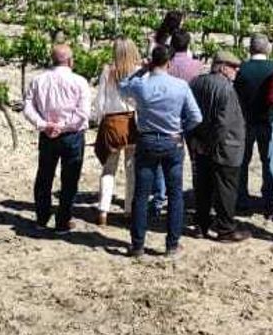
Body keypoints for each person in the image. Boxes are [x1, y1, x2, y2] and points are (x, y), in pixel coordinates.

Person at [120, 45, 203, 257]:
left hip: (147, 139)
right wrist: (181, 129)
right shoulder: (181, 86)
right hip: (172, 141)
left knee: (141, 194)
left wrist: (141, 70)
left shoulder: (141, 85)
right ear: (169, 63)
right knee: (175, 194)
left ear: (151, 61)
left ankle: (138, 245)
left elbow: (122, 87)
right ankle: (172, 245)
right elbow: (196, 117)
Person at [24, 43, 93, 233]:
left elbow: (28, 107)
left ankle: (42, 218)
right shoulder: (80, 82)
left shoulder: (38, 80)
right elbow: (83, 114)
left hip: (48, 135)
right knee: (69, 180)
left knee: (44, 177)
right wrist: (62, 126)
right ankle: (63, 221)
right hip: (72, 136)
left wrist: (44, 124)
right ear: (70, 61)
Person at [188, 51, 250, 242]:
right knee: (226, 189)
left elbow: (188, 113)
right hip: (224, 147)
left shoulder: (196, 83)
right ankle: (226, 229)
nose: (236, 71)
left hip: (200, 144)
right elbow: (224, 123)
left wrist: (196, 140)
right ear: (223, 67)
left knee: (203, 187)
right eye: (233, 67)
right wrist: (210, 143)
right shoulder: (226, 89)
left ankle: (201, 225)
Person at [91, 38, 141, 228]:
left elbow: (100, 100)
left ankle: (103, 210)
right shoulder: (138, 71)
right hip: (131, 122)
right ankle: (129, 210)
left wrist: (99, 119)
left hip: (112, 122)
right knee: (131, 169)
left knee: (108, 169)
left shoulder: (107, 71)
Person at [234, 34, 273, 216]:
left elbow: (237, 97)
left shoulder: (242, 70)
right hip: (268, 121)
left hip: (246, 121)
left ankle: (242, 199)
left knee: (243, 161)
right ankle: (268, 201)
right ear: (267, 48)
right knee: (269, 161)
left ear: (250, 48)